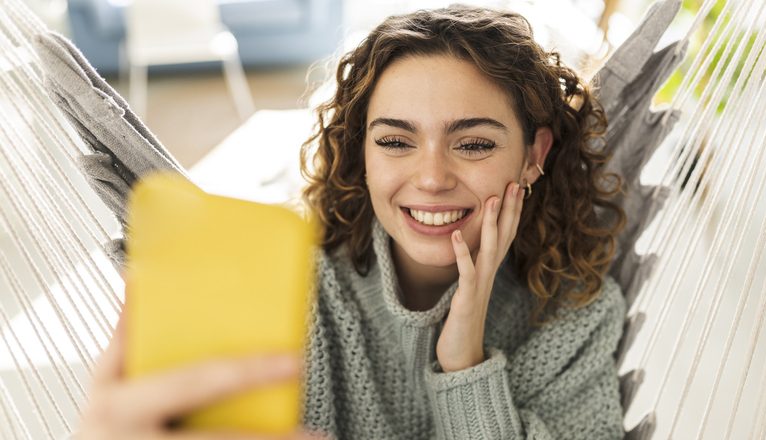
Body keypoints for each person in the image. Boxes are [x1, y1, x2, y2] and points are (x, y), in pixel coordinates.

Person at [76, 4, 626, 439]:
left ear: (535, 153)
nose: (431, 177)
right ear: (362, 152)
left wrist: (464, 360)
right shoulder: (285, 293)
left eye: (474, 143)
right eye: (394, 141)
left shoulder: (577, 318)